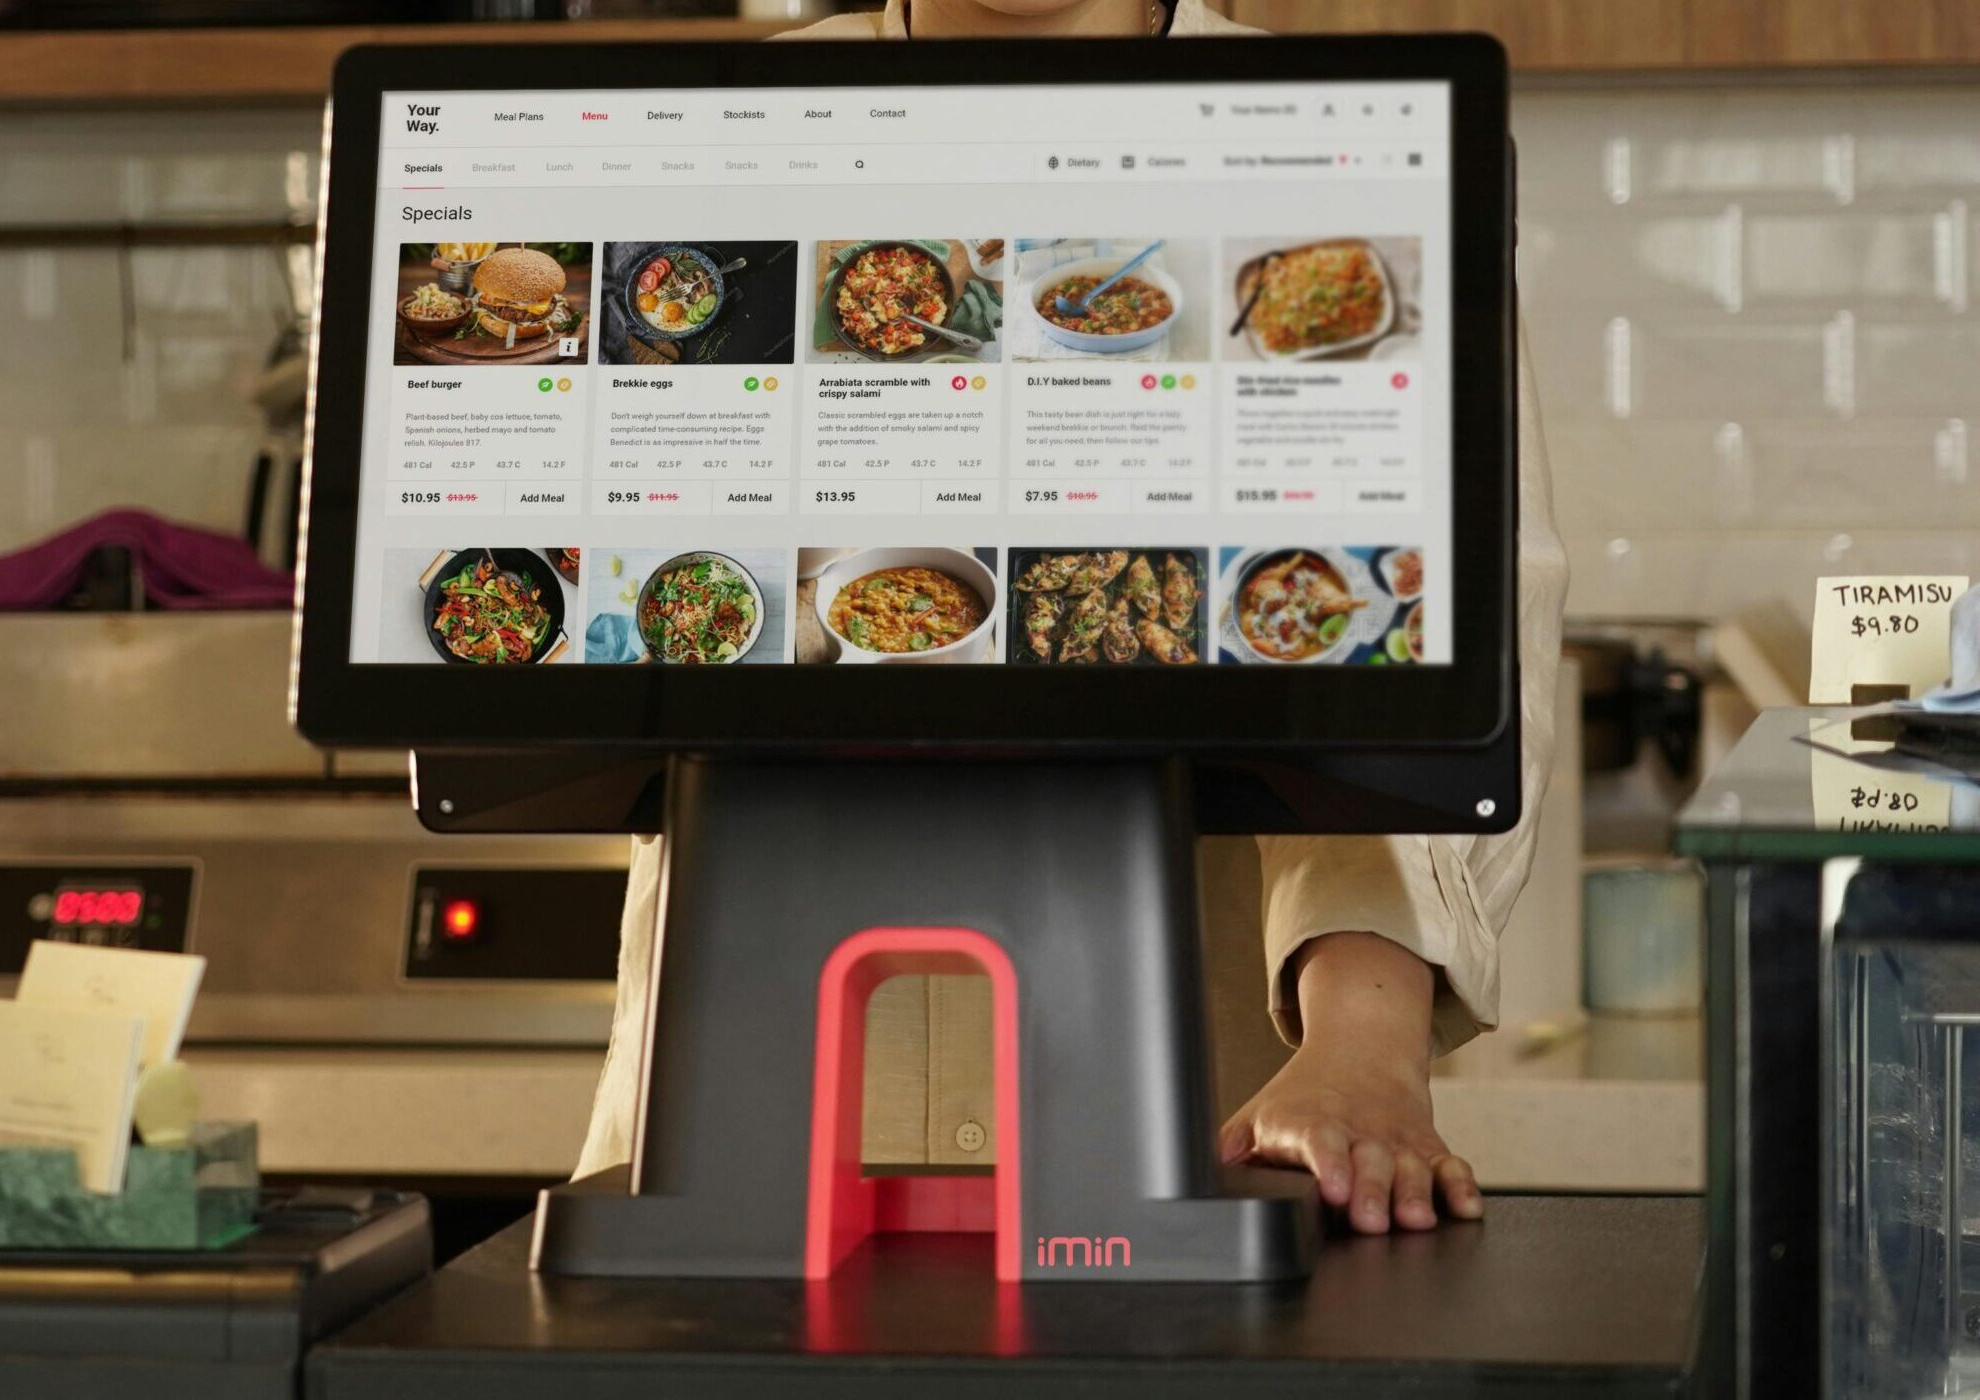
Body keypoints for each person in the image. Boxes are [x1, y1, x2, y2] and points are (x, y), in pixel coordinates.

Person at [576, 0, 1570, 1237]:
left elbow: (1418, 645)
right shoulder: (716, 124)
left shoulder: (1340, 125)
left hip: (1195, 1098)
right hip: (750, 1095)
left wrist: (1361, 1046)